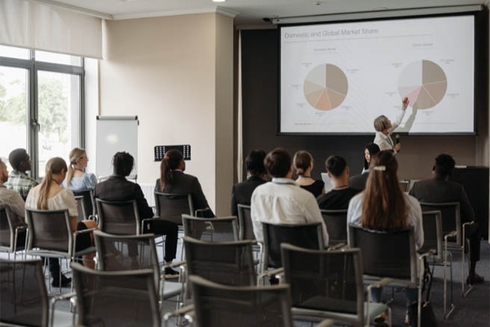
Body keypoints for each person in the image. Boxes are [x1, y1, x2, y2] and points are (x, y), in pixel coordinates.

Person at [347, 151, 423, 320]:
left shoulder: (355, 203)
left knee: (371, 256)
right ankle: (411, 310)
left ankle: (377, 307)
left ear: (370, 172)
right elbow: (418, 243)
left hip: (367, 267)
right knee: (415, 259)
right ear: (396, 173)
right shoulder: (411, 204)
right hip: (404, 268)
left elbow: (352, 243)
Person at [95, 152, 180, 278]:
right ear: (128, 169)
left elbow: (96, 212)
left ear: (114, 166)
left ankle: (131, 260)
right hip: (136, 229)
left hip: (108, 230)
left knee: (131, 222)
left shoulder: (98, 187)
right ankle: (168, 267)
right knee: (172, 227)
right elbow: (146, 214)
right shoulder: (132, 188)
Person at [409, 154, 484, 285]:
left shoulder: (418, 187)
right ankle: (472, 274)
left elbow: (409, 210)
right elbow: (470, 216)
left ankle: (425, 269)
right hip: (453, 236)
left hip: (424, 234)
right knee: (476, 228)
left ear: (434, 168)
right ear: (450, 173)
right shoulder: (457, 189)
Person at [25, 157, 99, 287]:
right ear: (63, 171)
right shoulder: (64, 193)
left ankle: (70, 274)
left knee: (89, 225)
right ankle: (88, 278)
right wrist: (73, 207)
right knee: (92, 230)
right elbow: (73, 227)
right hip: (65, 243)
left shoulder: (32, 192)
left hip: (41, 241)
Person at [251, 148, 328, 247]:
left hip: (269, 258)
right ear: (291, 168)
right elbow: (323, 239)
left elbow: (258, 233)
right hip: (302, 259)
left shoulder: (258, 193)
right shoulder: (305, 197)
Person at [155, 149, 214, 217]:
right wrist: (213, 217)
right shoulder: (191, 181)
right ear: (181, 162)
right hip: (188, 224)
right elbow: (203, 206)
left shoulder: (159, 182)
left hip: (166, 224)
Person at [230, 149, 267, 217]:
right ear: (265, 168)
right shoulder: (268, 188)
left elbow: (234, 216)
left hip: (243, 227)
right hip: (263, 227)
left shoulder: (237, 189)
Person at [0, 158, 27, 247]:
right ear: (1, 173)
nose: (8, 172)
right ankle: (50, 261)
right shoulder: (10, 195)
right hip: (14, 238)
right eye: (6, 169)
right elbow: (27, 216)